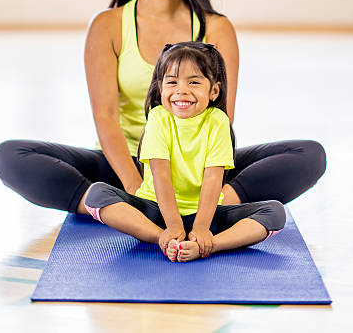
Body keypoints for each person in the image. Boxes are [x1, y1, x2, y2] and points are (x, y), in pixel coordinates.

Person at [0, 0, 326, 215]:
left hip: (195, 167)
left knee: (309, 155)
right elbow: (105, 116)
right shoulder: (107, 26)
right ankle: (121, 207)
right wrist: (135, 186)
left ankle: (206, 207)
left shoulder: (216, 28)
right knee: (10, 156)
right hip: (124, 164)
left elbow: (222, 116)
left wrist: (209, 186)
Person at [84, 42, 286, 262]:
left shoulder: (218, 121)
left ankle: (209, 246)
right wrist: (171, 227)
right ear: (161, 88)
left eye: (194, 82)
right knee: (97, 194)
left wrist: (201, 227)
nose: (181, 90)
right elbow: (161, 176)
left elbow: (212, 178)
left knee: (274, 212)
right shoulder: (158, 118)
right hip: (155, 211)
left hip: (206, 215)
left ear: (214, 91)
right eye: (172, 82)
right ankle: (161, 238)